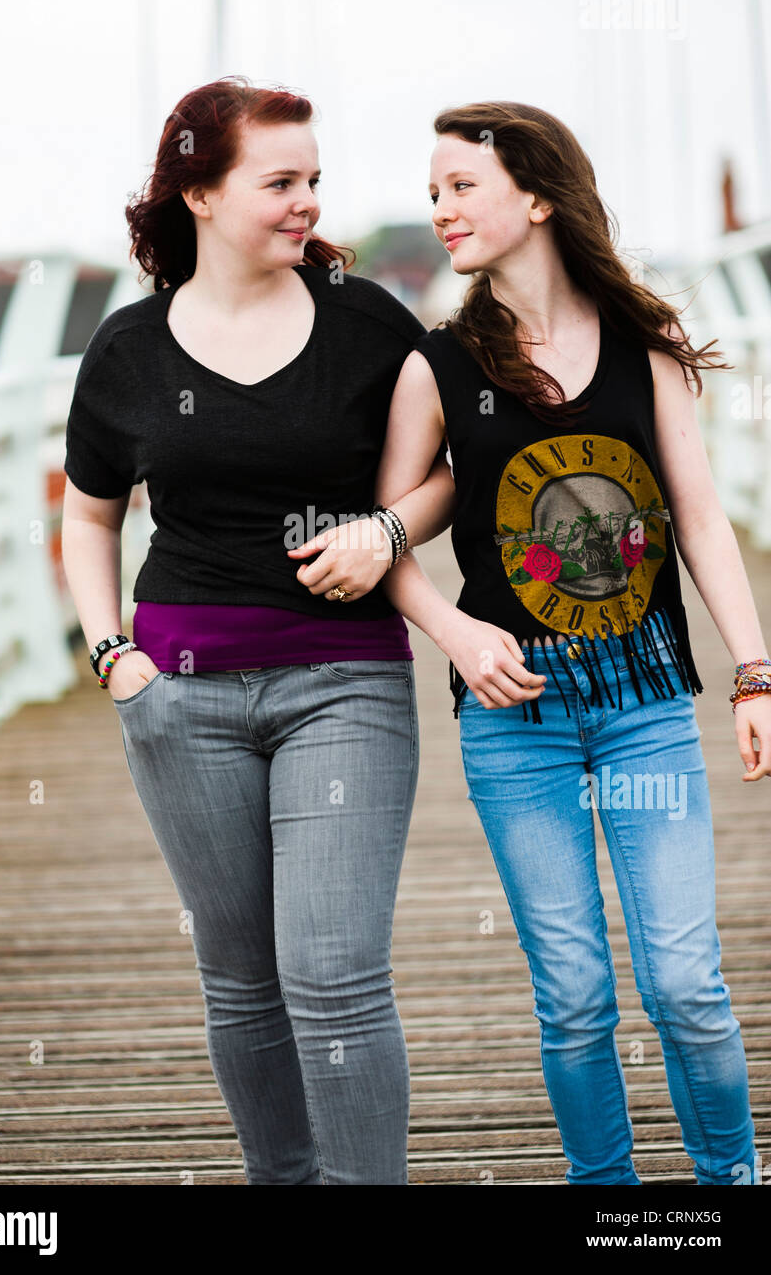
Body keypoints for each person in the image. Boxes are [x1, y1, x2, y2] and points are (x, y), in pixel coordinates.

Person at [290, 101, 769, 1185]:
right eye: (432, 194)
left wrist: (754, 670)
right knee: (573, 995)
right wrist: (455, 632)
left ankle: (728, 1184)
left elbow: (698, 519)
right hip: (517, 722)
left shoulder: (642, 346)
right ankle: (603, 1197)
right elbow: (390, 536)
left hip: (645, 703)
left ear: (538, 195)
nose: (441, 210)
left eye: (462, 187)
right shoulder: (438, 367)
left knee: (685, 980)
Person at [60, 77, 455, 1185]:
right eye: (279, 182)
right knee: (238, 979)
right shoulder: (130, 351)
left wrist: (383, 529)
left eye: (314, 180)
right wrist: (112, 657)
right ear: (198, 190)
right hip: (177, 698)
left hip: (343, 679)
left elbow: (445, 475)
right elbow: (87, 516)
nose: (306, 204)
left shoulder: (366, 320)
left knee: (331, 970)